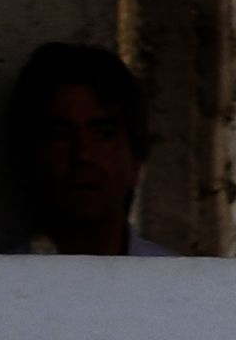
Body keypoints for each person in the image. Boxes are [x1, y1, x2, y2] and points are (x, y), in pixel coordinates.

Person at [11, 43, 170, 256]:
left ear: (135, 161)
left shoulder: (177, 283)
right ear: (30, 159)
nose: (83, 155)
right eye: (60, 135)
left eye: (104, 135)